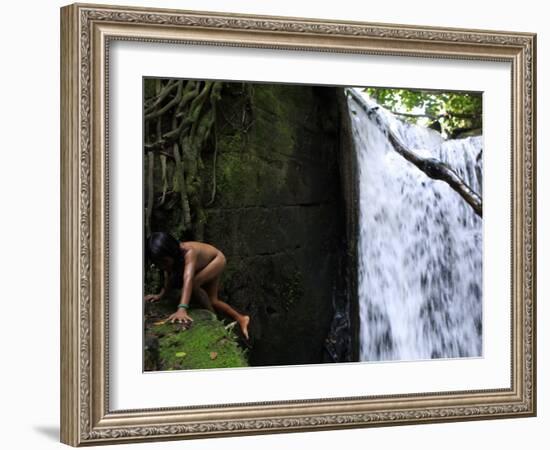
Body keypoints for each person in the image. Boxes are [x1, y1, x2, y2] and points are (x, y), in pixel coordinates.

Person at [144, 232, 250, 339]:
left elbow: (188, 278)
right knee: (213, 300)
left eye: (164, 261)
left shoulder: (189, 251)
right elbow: (168, 275)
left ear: (172, 251)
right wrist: (161, 295)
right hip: (208, 262)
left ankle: (214, 318)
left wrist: (182, 308)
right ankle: (241, 318)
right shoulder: (170, 261)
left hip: (217, 260)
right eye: (158, 263)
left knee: (194, 284)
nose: (162, 265)